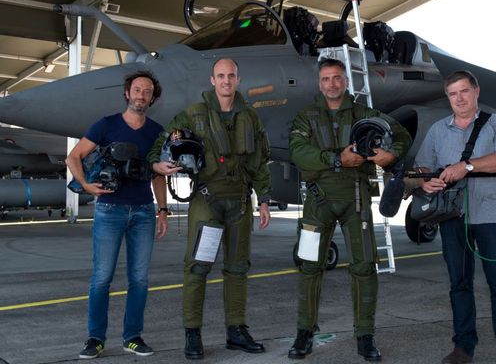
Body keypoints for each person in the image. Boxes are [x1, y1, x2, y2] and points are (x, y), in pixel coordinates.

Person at [287, 58, 411, 362]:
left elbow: (403, 136)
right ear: (320, 83)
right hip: (318, 201)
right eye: (327, 78)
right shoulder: (306, 117)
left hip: (356, 200)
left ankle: (365, 336)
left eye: (338, 78)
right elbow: (299, 153)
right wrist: (337, 160)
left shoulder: (365, 114)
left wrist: (388, 154)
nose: (332, 84)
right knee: (309, 268)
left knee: (365, 267)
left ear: (346, 81)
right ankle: (305, 333)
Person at [149, 58, 272, 360]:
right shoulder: (192, 115)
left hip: (241, 203)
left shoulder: (251, 118)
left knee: (238, 268)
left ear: (238, 80)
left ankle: (236, 331)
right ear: (212, 80)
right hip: (208, 202)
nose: (226, 81)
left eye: (231, 76)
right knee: (198, 267)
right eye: (221, 76)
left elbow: (260, 161)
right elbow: (159, 147)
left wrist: (265, 199)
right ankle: (193, 333)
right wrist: (158, 164)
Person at [414, 70, 496, 364]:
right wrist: (426, 181)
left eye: (464, 91)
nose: (459, 98)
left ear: (476, 91)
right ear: (448, 97)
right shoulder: (438, 130)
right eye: (453, 93)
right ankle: (464, 347)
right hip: (452, 216)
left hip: (490, 216)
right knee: (459, 284)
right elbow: (424, 165)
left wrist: (467, 167)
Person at [66, 70, 169, 359]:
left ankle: (132, 337)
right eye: (137, 90)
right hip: (110, 211)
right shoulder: (106, 125)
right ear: (127, 93)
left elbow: (158, 175)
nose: (141, 95)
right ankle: (95, 338)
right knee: (101, 278)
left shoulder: (156, 132)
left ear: (152, 97)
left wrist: (162, 210)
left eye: (147, 91)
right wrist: (86, 185)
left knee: (139, 279)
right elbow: (73, 157)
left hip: (143, 212)